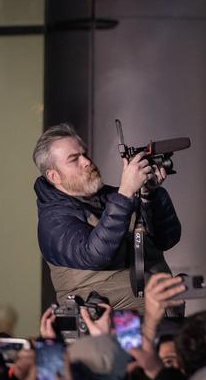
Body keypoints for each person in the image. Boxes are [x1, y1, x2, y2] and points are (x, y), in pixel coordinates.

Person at [32, 123, 181, 309]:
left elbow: (166, 239)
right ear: (54, 176)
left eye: (85, 154)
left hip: (162, 320)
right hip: (108, 332)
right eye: (74, 159)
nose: (86, 161)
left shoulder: (115, 198)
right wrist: (126, 192)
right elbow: (95, 254)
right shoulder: (53, 222)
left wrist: (148, 196)